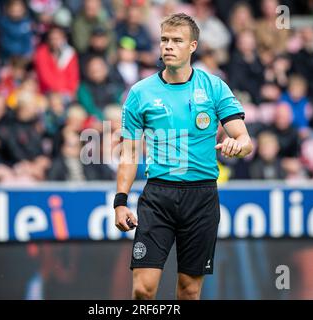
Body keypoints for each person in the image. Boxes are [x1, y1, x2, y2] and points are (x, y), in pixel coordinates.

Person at [113, 13, 253, 300]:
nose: (168, 46)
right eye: (164, 40)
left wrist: (236, 144)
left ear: (192, 46)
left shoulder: (213, 86)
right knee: (143, 289)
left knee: (189, 291)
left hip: (201, 197)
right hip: (158, 196)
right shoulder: (140, 93)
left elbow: (245, 139)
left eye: (177, 41)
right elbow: (128, 152)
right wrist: (120, 202)